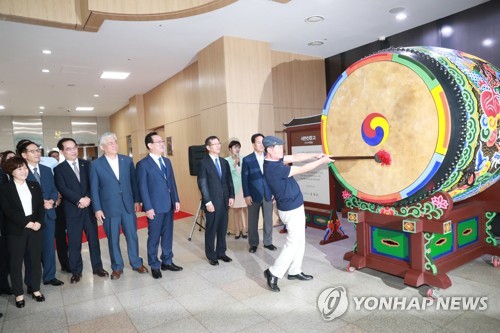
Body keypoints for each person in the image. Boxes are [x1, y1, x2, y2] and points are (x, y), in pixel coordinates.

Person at [262, 136, 333, 292]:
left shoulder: (275, 160)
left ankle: (294, 270)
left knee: (300, 239)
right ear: (269, 150)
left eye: (282, 147)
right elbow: (301, 169)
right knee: (292, 242)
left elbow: (296, 157)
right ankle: (273, 272)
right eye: (279, 148)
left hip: (295, 204)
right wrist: (322, 161)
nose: (282, 150)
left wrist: (315, 155)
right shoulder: (274, 168)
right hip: (290, 208)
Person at [90, 132, 148, 280]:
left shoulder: (127, 160)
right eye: (110, 143)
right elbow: (94, 188)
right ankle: (117, 267)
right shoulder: (96, 164)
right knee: (113, 239)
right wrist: (97, 208)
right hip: (109, 207)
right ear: (103, 147)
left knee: (132, 235)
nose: (114, 144)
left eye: (115, 141)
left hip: (128, 205)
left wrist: (137, 200)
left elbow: (133, 182)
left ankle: (136, 263)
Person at [54, 138, 109, 283]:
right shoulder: (58, 169)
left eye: (74, 147)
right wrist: (79, 200)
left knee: (94, 240)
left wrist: (88, 198)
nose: (73, 151)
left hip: (89, 209)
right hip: (73, 211)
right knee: (74, 242)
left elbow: (94, 184)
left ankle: (98, 268)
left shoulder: (87, 164)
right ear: (62, 151)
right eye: (68, 149)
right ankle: (76, 271)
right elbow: (63, 188)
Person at [0, 156, 46, 308]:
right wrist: (27, 222)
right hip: (16, 230)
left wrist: (38, 222)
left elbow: (40, 206)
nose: (24, 171)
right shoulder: (5, 188)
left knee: (34, 260)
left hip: (35, 229)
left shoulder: (34, 185)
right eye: (19, 168)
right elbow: (8, 210)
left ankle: (35, 289)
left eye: (25, 167)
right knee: (16, 263)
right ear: (11, 171)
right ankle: (19, 294)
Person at [137, 132, 182, 279]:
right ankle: (154, 265)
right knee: (154, 237)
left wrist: (176, 199)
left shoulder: (167, 161)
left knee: (168, 235)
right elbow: (142, 187)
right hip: (155, 207)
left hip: (168, 204)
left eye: (162, 141)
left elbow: (172, 182)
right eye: (158, 142)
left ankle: (167, 261)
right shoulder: (143, 164)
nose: (162, 144)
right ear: (150, 145)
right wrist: (148, 207)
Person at [19, 140, 64, 287]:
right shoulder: (20, 171)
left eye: (37, 150)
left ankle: (49, 276)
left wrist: (52, 200)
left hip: (49, 214)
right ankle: (32, 281)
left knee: (49, 247)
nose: (37, 153)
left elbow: (53, 188)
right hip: (32, 218)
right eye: (32, 151)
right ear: (24, 154)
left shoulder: (45, 169)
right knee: (32, 251)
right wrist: (41, 203)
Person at [197, 136, 235, 266]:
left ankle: (221, 252)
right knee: (211, 230)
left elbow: (229, 181)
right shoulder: (204, 163)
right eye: (215, 144)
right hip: (212, 202)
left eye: (219, 143)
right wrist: (207, 202)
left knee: (222, 229)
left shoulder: (224, 162)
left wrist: (231, 196)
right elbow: (202, 183)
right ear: (208, 147)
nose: (218, 146)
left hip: (224, 201)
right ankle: (211, 255)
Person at [241, 133, 275, 253]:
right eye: (258, 142)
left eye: (263, 142)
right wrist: (246, 195)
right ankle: (253, 244)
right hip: (253, 195)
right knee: (252, 221)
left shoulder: (270, 157)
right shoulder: (247, 159)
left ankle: (268, 242)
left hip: (268, 194)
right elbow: (244, 179)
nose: (261, 144)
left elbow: (273, 177)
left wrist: (274, 192)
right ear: (253, 144)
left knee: (268, 220)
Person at [225, 140, 248, 239]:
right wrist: (235, 164)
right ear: (230, 149)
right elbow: (227, 173)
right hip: (233, 188)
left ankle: (245, 229)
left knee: (244, 209)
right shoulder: (226, 160)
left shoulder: (244, 159)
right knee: (236, 210)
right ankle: (237, 230)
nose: (237, 149)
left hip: (243, 187)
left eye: (238, 147)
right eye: (235, 147)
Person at [0, 150, 15, 296]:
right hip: (3, 221)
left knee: (6, 256)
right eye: (8, 158)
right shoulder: (2, 176)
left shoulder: (16, 175)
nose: (12, 160)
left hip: (11, 223)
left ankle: (4, 285)